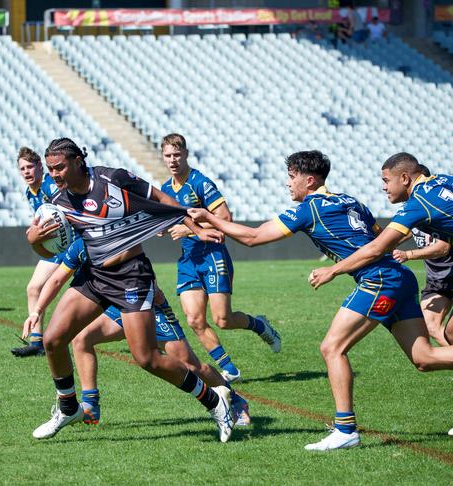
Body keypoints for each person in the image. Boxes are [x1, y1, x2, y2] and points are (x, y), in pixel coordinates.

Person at [189, 150, 453, 450]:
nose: (288, 184)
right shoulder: (351, 201)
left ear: (309, 180)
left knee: (332, 348)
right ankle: (345, 430)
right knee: (424, 358)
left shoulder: (310, 208)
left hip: (380, 280)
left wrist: (210, 217)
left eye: (291, 177)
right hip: (401, 278)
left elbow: (253, 237)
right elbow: (377, 237)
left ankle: (345, 430)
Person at [25, 137, 236, 442]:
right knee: (53, 340)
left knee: (147, 358)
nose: (54, 174)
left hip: (131, 277)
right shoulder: (59, 205)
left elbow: (164, 201)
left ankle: (215, 402)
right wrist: (35, 242)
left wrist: (197, 229)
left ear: (77, 161)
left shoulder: (113, 179)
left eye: (59, 167)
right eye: (51, 169)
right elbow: (51, 253)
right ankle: (68, 407)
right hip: (95, 277)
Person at [24, 236, 250, 426]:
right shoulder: (80, 245)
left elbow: (145, 277)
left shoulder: (120, 238)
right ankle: (90, 407)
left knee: (190, 366)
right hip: (117, 309)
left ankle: (236, 401)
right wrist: (36, 310)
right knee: (82, 339)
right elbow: (54, 276)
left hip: (148, 308)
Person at [159, 133, 281, 383]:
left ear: (186, 155)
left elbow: (225, 219)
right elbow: (164, 220)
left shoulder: (200, 182)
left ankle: (260, 325)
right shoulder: (164, 189)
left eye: (177, 155)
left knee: (222, 320)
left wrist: (189, 227)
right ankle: (230, 370)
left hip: (212, 255)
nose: (173, 160)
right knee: (194, 320)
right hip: (188, 260)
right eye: (168, 155)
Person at [390, 165, 452, 347]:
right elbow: (403, 233)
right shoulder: (416, 212)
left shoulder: (437, 212)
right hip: (437, 281)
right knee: (431, 326)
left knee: (449, 332)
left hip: (449, 273)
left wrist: (408, 254)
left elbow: (442, 247)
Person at [11, 147, 60, 358]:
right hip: (58, 248)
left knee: (105, 292)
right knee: (33, 288)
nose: (27, 171)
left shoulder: (51, 185)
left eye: (30, 166)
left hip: (76, 245)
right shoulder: (29, 192)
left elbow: (66, 214)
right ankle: (37, 343)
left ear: (40, 166)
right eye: (22, 168)